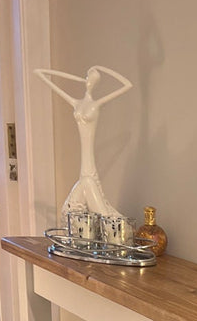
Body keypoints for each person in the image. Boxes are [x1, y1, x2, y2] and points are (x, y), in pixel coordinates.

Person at [34, 65, 132, 217]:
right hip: (85, 165)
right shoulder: (76, 102)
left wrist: (101, 69)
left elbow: (126, 84)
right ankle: (102, 225)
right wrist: (83, 77)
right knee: (84, 186)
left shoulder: (97, 103)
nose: (90, 83)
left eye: (94, 80)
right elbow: (40, 73)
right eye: (88, 79)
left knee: (88, 182)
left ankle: (108, 226)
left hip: (89, 163)